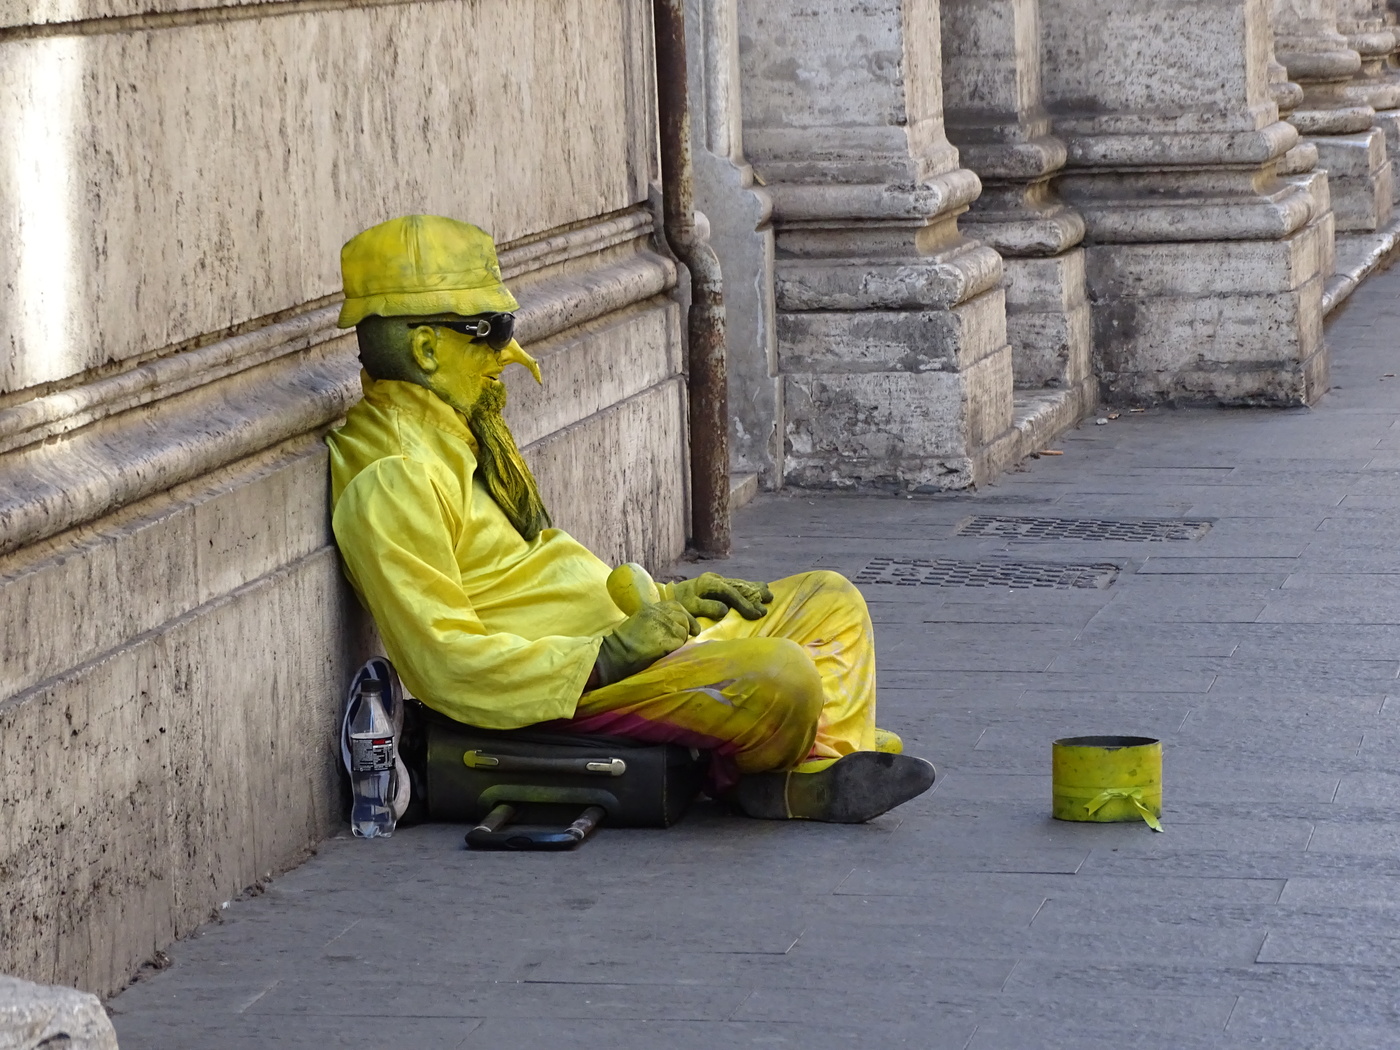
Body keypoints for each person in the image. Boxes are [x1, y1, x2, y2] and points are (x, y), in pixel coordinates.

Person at [326, 215, 936, 822]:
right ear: (427, 348)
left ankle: (804, 768)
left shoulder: (460, 436)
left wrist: (672, 601)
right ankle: (804, 759)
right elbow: (446, 663)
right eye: (487, 330)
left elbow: (552, 577)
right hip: (575, 685)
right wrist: (612, 652)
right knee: (786, 678)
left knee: (831, 600)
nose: (507, 354)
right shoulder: (394, 476)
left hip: (627, 641)